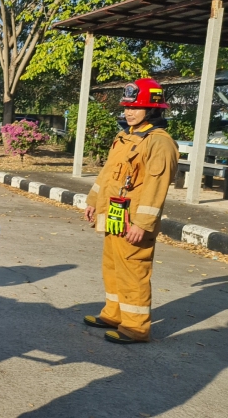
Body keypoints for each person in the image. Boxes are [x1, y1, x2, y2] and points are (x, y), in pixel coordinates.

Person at [83, 78, 178, 345]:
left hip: (135, 219)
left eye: (136, 107)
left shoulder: (159, 143)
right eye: (127, 107)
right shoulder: (125, 136)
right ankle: (113, 314)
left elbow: (156, 188)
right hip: (116, 213)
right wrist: (93, 201)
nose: (129, 112)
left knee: (133, 271)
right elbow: (107, 174)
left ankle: (135, 328)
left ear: (153, 109)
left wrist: (143, 223)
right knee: (112, 266)